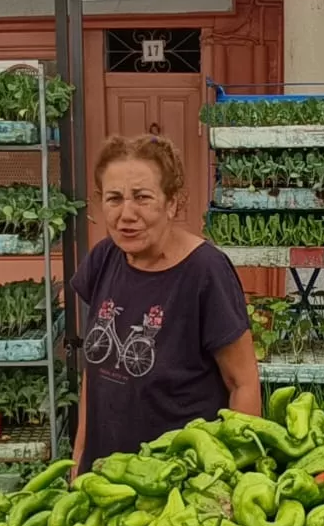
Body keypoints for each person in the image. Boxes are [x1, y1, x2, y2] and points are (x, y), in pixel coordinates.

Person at [71, 134, 261, 468]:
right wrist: (80, 455)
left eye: (142, 198)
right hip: (107, 479)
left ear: (172, 202)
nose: (126, 214)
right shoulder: (104, 258)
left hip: (178, 480)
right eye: (114, 198)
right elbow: (96, 370)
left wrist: (232, 476)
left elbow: (242, 383)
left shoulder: (205, 271)